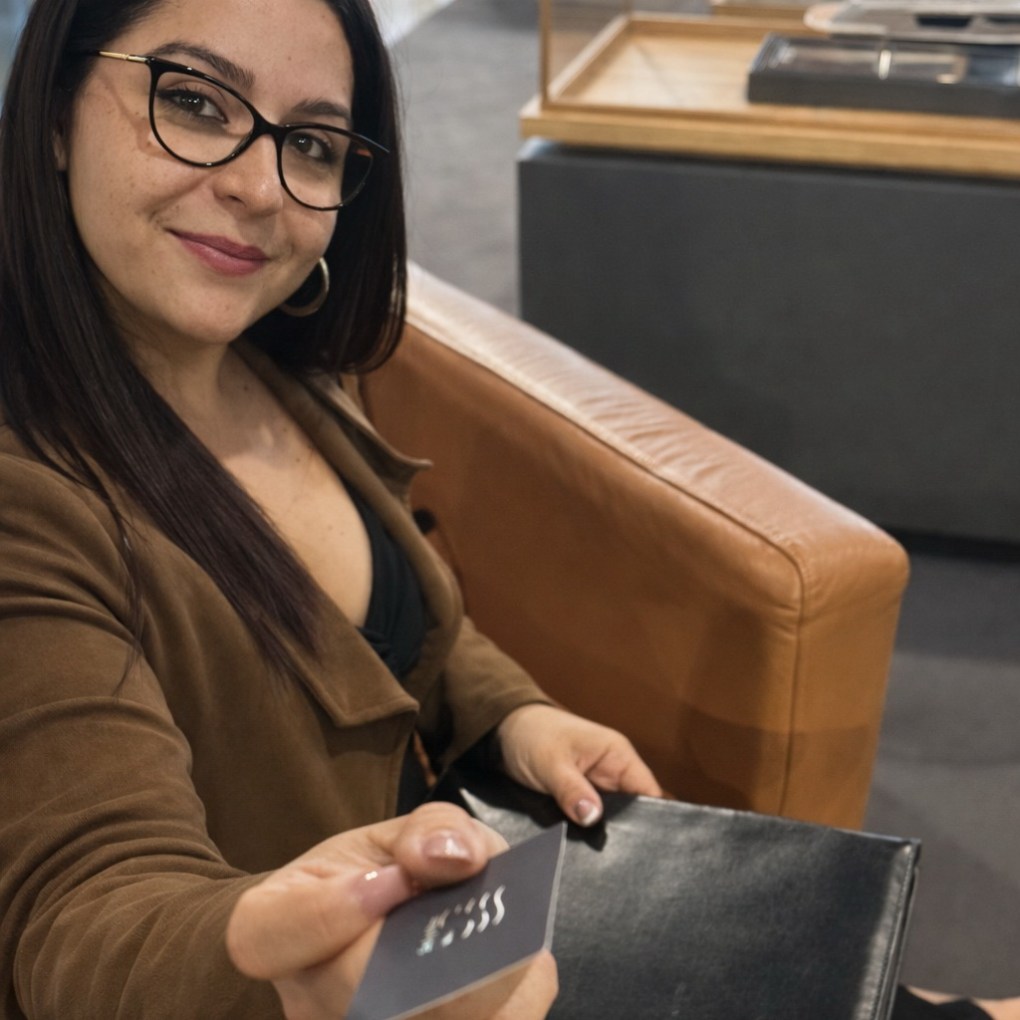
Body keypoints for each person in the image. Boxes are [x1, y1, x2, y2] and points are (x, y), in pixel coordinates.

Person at [0, 0, 662, 1016]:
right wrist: (291, 971)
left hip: (465, 900)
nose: (260, 188)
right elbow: (86, 910)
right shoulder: (28, 495)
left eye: (309, 144)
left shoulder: (276, 363)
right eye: (193, 101)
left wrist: (509, 713)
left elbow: (376, 624)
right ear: (52, 115)